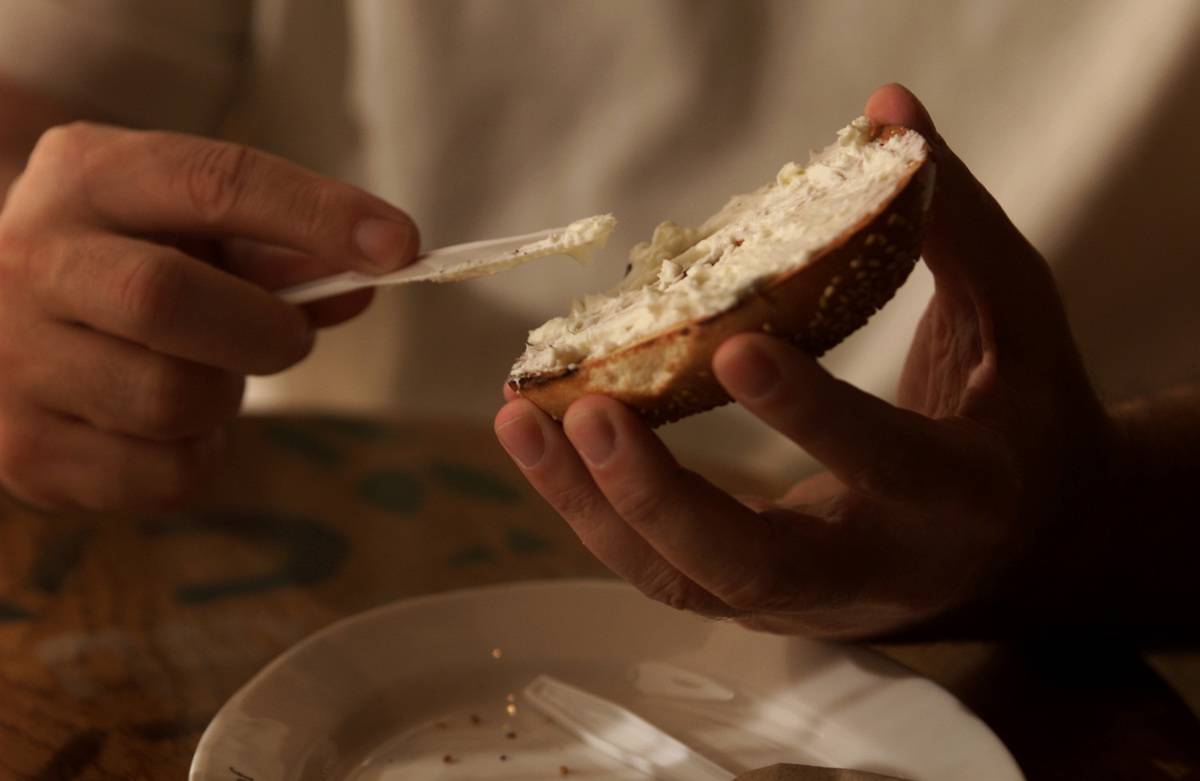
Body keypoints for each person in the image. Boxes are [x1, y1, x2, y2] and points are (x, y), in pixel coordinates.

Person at [0, 2, 1197, 635]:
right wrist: (37, 281)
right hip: (340, 592)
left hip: (1097, 646)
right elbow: (39, 107)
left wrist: (1093, 520)